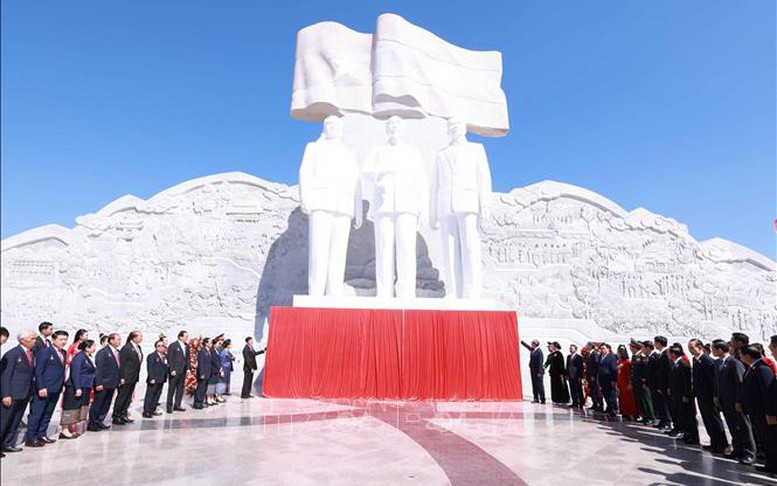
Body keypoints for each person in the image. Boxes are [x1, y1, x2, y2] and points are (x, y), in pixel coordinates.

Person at [712, 338, 756, 464]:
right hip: (724, 401)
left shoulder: (734, 362)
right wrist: (716, 396)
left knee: (743, 427)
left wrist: (739, 401)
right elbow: (717, 382)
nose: (712, 351)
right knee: (732, 426)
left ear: (720, 349)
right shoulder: (718, 363)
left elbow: (740, 383)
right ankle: (738, 450)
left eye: (714, 348)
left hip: (736, 402)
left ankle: (749, 452)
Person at [737, 345, 777, 474]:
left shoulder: (762, 369)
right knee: (765, 439)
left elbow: (768, 393)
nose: (740, 357)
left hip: (764, 413)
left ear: (748, 356)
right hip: (756, 412)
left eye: (742, 355)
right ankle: (771, 464)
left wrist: (769, 412)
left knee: (771, 439)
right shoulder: (753, 368)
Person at [25, 330, 68, 447]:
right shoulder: (45, 352)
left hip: (56, 388)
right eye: (61, 339)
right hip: (44, 388)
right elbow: (39, 371)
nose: (63, 342)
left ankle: (42, 434)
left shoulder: (63, 352)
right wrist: (41, 386)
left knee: (48, 413)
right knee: (37, 413)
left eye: (65, 339)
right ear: (54, 339)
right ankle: (31, 437)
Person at [688, 338, 728, 454]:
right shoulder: (696, 360)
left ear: (699, 347)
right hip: (701, 396)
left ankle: (722, 444)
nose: (690, 350)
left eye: (692, 347)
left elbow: (713, 380)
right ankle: (714, 442)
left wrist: (715, 396)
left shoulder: (707, 361)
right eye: (689, 348)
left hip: (709, 397)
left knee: (714, 420)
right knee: (707, 420)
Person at [0, 330, 36, 455]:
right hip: (12, 394)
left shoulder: (30, 354)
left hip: (24, 393)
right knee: (4, 421)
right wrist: (6, 394)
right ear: (22, 340)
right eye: (32, 338)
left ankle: (7, 443)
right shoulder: (13, 354)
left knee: (15, 421)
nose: (34, 341)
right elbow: (5, 375)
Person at [62, 340, 96, 439]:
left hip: (85, 386)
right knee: (71, 408)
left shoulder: (87, 357)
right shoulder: (79, 357)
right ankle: (65, 430)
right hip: (75, 387)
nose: (94, 348)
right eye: (93, 346)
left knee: (77, 408)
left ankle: (71, 428)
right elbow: (75, 373)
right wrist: (77, 388)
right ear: (87, 348)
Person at [89, 333, 122, 431]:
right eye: (118, 339)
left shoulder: (117, 352)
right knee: (98, 403)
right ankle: (92, 423)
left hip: (112, 383)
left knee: (106, 403)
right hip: (103, 383)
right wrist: (98, 383)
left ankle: (100, 421)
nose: (119, 341)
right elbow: (99, 369)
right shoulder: (103, 352)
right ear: (111, 340)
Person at [667, 343, 699, 445]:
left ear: (674, 354)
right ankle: (686, 434)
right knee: (682, 415)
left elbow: (687, 382)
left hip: (683, 395)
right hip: (677, 394)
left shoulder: (683, 364)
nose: (668, 355)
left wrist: (686, 394)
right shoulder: (676, 364)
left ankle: (692, 436)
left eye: (670, 353)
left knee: (688, 416)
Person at [113, 331, 143, 425]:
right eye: (140, 336)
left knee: (128, 397)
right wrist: (121, 376)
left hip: (133, 377)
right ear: (133, 338)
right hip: (126, 377)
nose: (141, 338)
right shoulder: (126, 348)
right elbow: (122, 363)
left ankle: (123, 414)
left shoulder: (138, 347)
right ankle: (116, 416)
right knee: (122, 397)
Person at [143, 340, 168, 418]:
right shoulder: (152, 356)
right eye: (159, 346)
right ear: (155, 347)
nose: (161, 347)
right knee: (150, 395)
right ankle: (146, 411)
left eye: (162, 346)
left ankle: (152, 410)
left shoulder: (165, 356)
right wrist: (151, 377)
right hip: (153, 379)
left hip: (161, 379)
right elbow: (150, 368)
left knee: (157, 395)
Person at [166, 330, 189, 413]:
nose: (187, 338)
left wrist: (188, 368)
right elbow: (170, 358)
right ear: (180, 337)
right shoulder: (173, 345)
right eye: (185, 336)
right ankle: (169, 406)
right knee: (171, 389)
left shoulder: (186, 346)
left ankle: (177, 405)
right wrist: (172, 369)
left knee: (180, 389)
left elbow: (187, 359)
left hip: (183, 371)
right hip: (175, 371)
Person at [653, 336, 673, 431]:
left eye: (655, 343)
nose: (654, 344)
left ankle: (667, 422)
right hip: (660, 384)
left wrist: (668, 385)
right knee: (660, 404)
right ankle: (663, 420)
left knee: (665, 404)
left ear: (659, 344)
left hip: (665, 385)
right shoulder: (661, 354)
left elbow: (668, 371)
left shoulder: (666, 354)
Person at [637, 341, 657, 426]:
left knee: (648, 401)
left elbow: (654, 372)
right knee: (645, 400)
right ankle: (648, 416)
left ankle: (652, 417)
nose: (642, 350)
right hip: (645, 382)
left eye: (643, 348)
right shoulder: (647, 357)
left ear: (648, 348)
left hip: (650, 383)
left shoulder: (654, 357)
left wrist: (647, 381)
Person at [616, 345, 638, 420]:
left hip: (626, 383)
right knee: (621, 399)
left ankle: (630, 414)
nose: (618, 354)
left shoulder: (627, 362)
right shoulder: (619, 362)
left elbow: (629, 374)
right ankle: (624, 413)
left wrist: (630, 383)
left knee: (628, 399)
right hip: (620, 383)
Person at [520, 339, 545, 404]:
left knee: (540, 385)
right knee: (534, 385)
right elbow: (528, 347)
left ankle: (542, 399)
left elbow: (540, 362)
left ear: (535, 344)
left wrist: (539, 372)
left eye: (532, 344)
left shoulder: (539, 352)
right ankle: (536, 398)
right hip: (533, 370)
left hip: (538, 372)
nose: (531, 345)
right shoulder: (533, 350)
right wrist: (522, 342)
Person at [598, 344, 618, 417]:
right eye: (601, 349)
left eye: (603, 348)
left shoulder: (612, 356)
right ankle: (609, 407)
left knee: (611, 395)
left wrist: (613, 380)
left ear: (608, 349)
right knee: (605, 394)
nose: (602, 350)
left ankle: (614, 409)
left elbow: (614, 369)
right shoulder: (601, 356)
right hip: (602, 379)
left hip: (609, 379)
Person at [193, 338, 213, 409]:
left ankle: (201, 402)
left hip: (207, 373)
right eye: (210, 342)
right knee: (200, 389)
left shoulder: (208, 351)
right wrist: (201, 373)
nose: (211, 343)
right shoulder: (202, 351)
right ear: (206, 343)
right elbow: (201, 363)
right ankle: (197, 403)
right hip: (203, 374)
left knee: (204, 389)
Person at [586, 342, 602, 411]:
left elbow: (595, 365)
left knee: (596, 391)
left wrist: (593, 375)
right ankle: (595, 404)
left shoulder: (594, 354)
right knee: (592, 390)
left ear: (590, 346)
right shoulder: (590, 354)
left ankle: (599, 405)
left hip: (594, 376)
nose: (586, 346)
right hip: (590, 375)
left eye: (587, 345)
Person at [566, 344, 584, 408]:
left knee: (579, 390)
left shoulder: (579, 357)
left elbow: (581, 368)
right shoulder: (568, 357)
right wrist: (567, 375)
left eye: (572, 348)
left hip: (577, 376)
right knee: (572, 389)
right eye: (570, 348)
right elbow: (567, 366)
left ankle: (581, 403)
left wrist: (580, 376)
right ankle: (574, 402)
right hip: (571, 375)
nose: (570, 349)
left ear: (575, 349)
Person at [209, 337, 225, 404]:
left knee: (215, 385)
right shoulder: (212, 350)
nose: (219, 344)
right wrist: (220, 368)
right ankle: (209, 398)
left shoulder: (217, 350)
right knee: (211, 385)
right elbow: (214, 361)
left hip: (217, 370)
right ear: (214, 344)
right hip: (213, 370)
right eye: (218, 343)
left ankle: (212, 398)